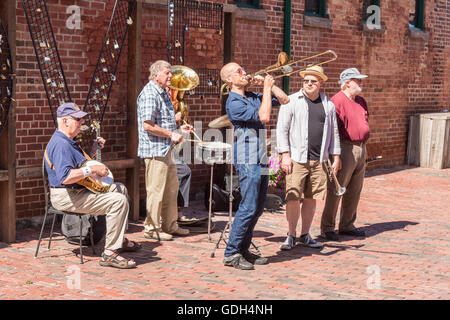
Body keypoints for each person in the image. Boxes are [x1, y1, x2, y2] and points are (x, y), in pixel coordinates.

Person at [45, 102, 140, 269]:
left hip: (76, 191)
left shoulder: (69, 141)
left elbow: (79, 165)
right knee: (118, 201)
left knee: (120, 189)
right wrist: (92, 168)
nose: (82, 123)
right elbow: (66, 177)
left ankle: (119, 240)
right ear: (65, 121)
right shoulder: (61, 144)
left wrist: (93, 151)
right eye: (78, 119)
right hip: (67, 196)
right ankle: (110, 254)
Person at [220, 62, 290, 270]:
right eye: (238, 71)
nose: (244, 72)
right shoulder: (233, 102)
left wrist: (270, 84)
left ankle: (243, 249)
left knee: (258, 207)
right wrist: (266, 89)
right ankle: (231, 253)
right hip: (247, 158)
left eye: (243, 69)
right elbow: (265, 116)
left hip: (260, 157)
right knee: (248, 206)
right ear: (229, 80)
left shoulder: (251, 96)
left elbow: (285, 100)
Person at [276, 65, 341, 250]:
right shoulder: (292, 101)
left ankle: (305, 234)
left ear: (320, 83)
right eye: (306, 81)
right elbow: (282, 129)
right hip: (296, 157)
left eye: (313, 81)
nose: (309, 84)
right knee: (293, 197)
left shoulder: (328, 104)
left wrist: (335, 156)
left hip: (319, 159)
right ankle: (290, 235)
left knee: (312, 198)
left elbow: (334, 132)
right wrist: (285, 155)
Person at [137, 60, 193, 241]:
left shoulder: (162, 93)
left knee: (171, 188)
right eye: (167, 73)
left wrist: (179, 131)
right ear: (156, 76)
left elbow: (162, 124)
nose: (171, 76)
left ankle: (170, 225)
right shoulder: (150, 93)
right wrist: (171, 134)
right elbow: (147, 125)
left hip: (166, 149)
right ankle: (151, 228)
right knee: (156, 190)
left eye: (170, 73)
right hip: (155, 151)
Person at [320, 68, 369, 241]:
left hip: (361, 148)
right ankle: (327, 227)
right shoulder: (337, 101)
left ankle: (347, 225)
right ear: (347, 82)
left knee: (355, 189)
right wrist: (336, 156)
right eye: (358, 80)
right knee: (337, 188)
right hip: (345, 148)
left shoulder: (361, 101)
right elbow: (333, 131)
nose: (361, 83)